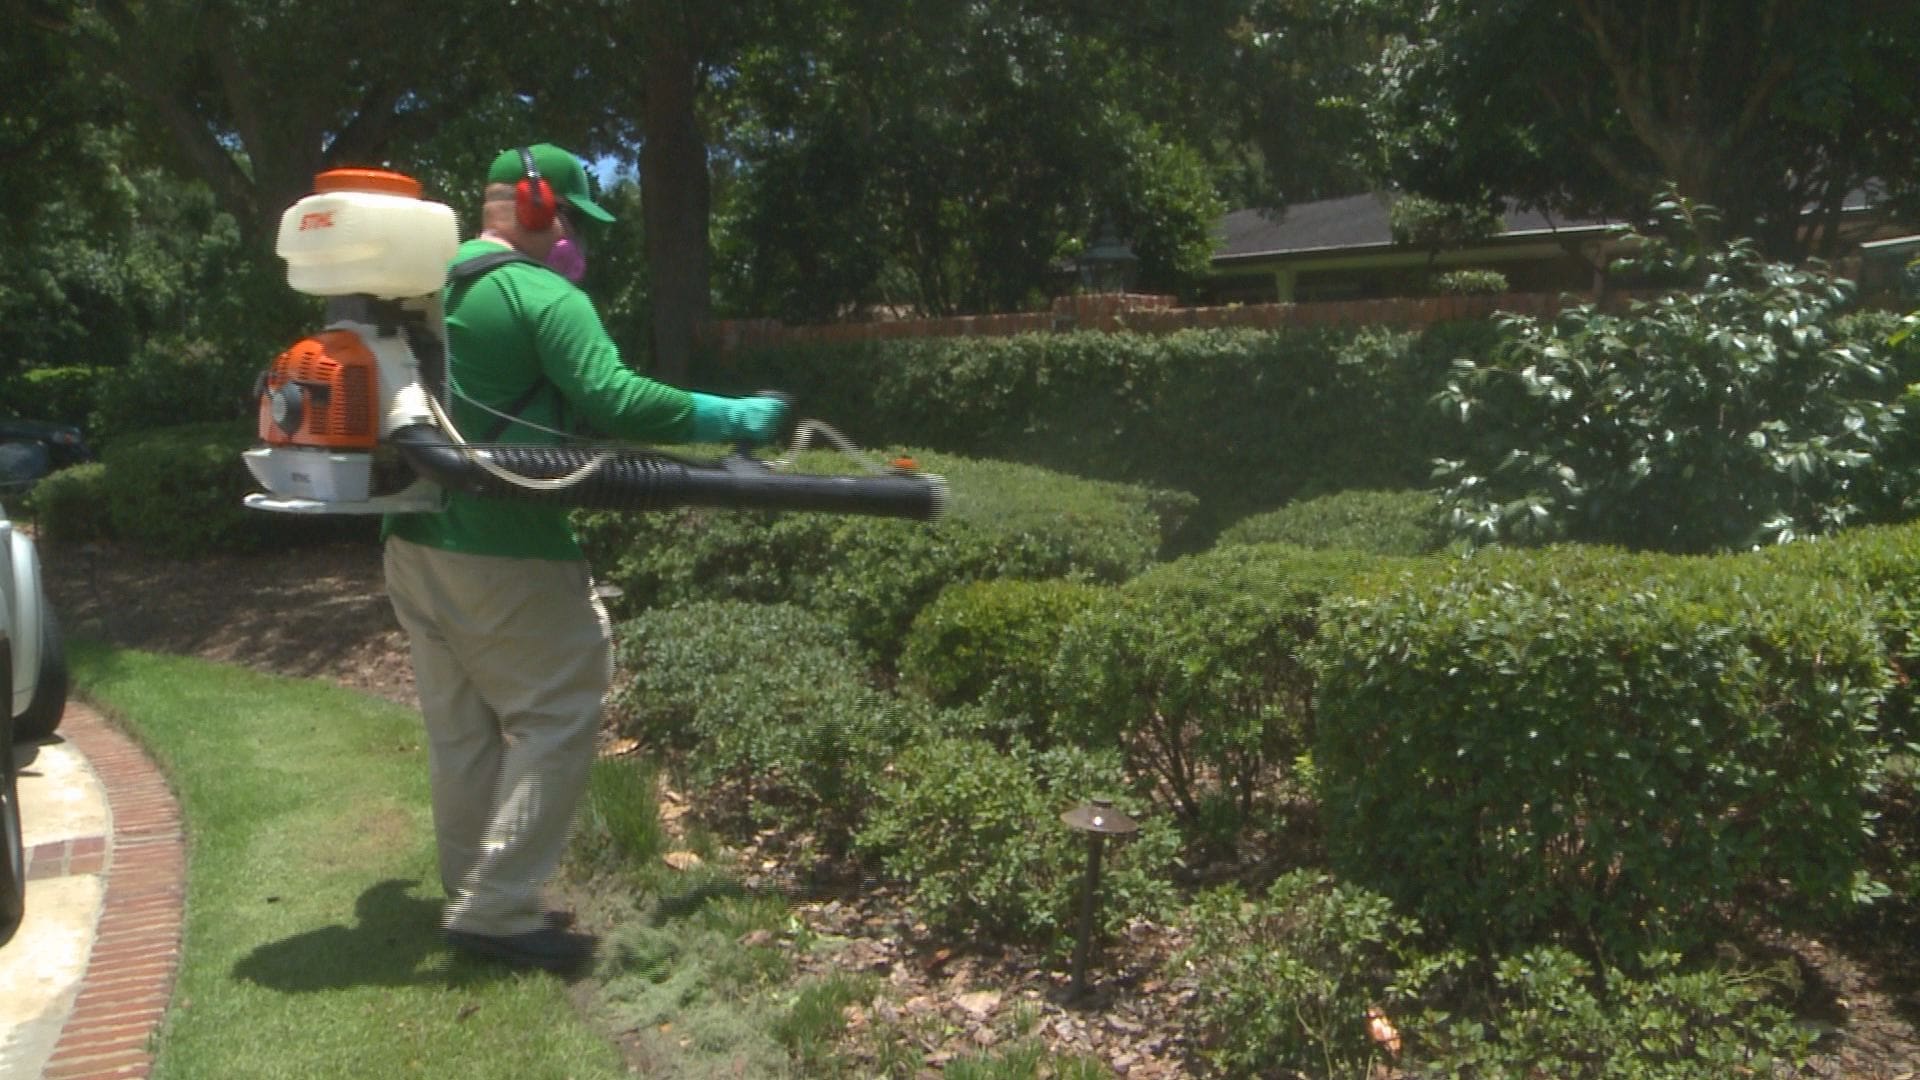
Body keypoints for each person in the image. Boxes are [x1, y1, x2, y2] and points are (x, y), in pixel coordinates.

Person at [381, 143, 786, 975]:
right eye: (571, 217)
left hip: (415, 540)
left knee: (462, 733)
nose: (576, 239)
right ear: (536, 208)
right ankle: (496, 909)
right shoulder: (538, 292)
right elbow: (615, 398)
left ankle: (475, 890)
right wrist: (736, 417)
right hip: (509, 548)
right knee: (560, 707)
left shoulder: (425, 291)